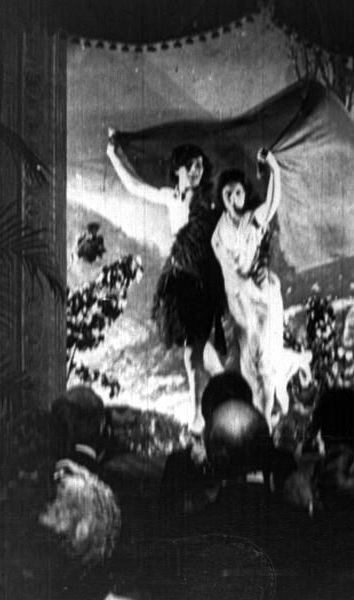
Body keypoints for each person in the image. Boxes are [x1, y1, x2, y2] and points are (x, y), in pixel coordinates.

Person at [107, 132, 226, 434]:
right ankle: (215, 395)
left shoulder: (210, 199)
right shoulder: (171, 196)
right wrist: (113, 155)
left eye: (200, 165)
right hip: (178, 279)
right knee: (192, 350)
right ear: (178, 169)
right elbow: (135, 186)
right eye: (191, 165)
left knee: (194, 351)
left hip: (202, 278)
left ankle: (203, 408)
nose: (197, 169)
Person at [211, 150, 285, 429]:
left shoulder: (253, 219)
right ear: (221, 198)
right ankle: (258, 422)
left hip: (260, 298)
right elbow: (226, 272)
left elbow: (273, 201)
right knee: (248, 366)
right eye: (228, 193)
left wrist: (273, 168)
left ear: (245, 195)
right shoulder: (218, 234)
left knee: (264, 361)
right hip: (238, 302)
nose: (233, 198)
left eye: (238, 193)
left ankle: (265, 422)